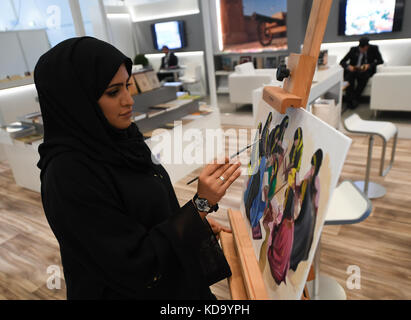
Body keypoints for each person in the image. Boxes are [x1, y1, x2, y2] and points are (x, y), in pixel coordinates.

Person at [34, 37, 242, 300]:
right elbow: (134, 262)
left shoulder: (125, 140)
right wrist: (200, 205)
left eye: (128, 87)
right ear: (77, 99)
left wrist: (192, 224)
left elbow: (149, 215)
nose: (128, 100)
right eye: (113, 92)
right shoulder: (68, 176)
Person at [340, 37, 384, 109]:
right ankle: (350, 100)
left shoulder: (374, 48)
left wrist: (369, 65)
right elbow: (342, 62)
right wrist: (349, 66)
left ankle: (354, 99)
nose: (362, 50)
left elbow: (380, 61)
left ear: (367, 47)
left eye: (364, 49)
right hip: (354, 70)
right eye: (361, 49)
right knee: (348, 79)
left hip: (366, 71)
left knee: (363, 78)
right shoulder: (353, 49)